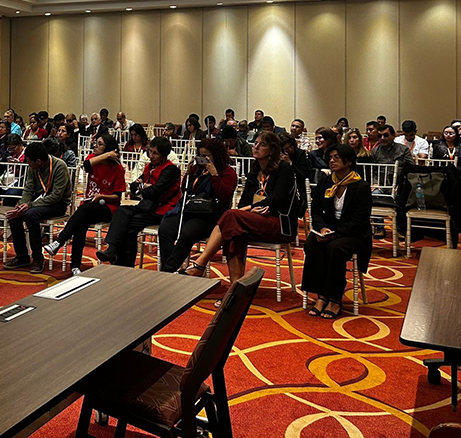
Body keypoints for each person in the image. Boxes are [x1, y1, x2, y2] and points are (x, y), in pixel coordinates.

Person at [181, 132, 298, 285]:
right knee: (234, 232)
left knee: (232, 217)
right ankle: (235, 289)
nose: (256, 147)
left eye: (262, 145)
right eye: (255, 143)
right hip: (254, 221)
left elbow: (276, 200)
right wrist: (249, 210)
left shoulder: (284, 169)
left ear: (272, 150)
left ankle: (200, 264)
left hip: (280, 224)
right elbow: (243, 202)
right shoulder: (255, 171)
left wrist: (248, 209)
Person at [301, 144, 372, 319]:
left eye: (336, 158)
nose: (331, 161)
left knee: (335, 248)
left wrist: (335, 233)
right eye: (330, 158)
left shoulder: (361, 187)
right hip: (329, 230)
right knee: (312, 242)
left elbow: (359, 221)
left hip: (354, 235)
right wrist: (323, 228)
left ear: (348, 161)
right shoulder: (327, 182)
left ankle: (334, 298)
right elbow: (315, 209)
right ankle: (320, 294)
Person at [43, 134, 126, 276]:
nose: (95, 145)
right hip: (89, 206)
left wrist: (102, 196)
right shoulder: (93, 160)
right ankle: (75, 266)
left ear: (109, 149)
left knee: (83, 211)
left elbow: (117, 197)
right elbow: (86, 166)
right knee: (81, 223)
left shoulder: (118, 169)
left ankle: (59, 242)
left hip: (107, 207)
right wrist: (105, 155)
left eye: (100, 144)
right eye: (96, 143)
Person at [97, 137, 181, 267]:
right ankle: (114, 252)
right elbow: (133, 187)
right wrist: (144, 187)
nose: (151, 156)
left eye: (155, 153)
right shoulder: (150, 167)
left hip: (164, 211)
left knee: (127, 224)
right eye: (150, 152)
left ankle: (119, 258)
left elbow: (154, 191)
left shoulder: (171, 170)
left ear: (164, 155)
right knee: (121, 211)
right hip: (147, 207)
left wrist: (143, 187)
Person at [158, 138, 237, 273]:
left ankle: (167, 270)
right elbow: (186, 191)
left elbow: (224, 195)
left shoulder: (228, 172)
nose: (203, 159)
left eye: (206, 156)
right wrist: (188, 174)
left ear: (216, 155)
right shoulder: (197, 169)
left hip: (209, 215)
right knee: (165, 229)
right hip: (190, 209)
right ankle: (169, 266)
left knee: (187, 233)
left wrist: (214, 175)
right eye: (200, 155)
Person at [3, 142, 73, 274]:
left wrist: (29, 206)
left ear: (39, 161)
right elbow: (28, 189)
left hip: (57, 204)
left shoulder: (59, 167)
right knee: (14, 216)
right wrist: (22, 206)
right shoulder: (33, 167)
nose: (28, 164)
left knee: (31, 215)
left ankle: (37, 258)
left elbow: (56, 196)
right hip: (39, 200)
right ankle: (22, 256)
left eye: (29, 161)